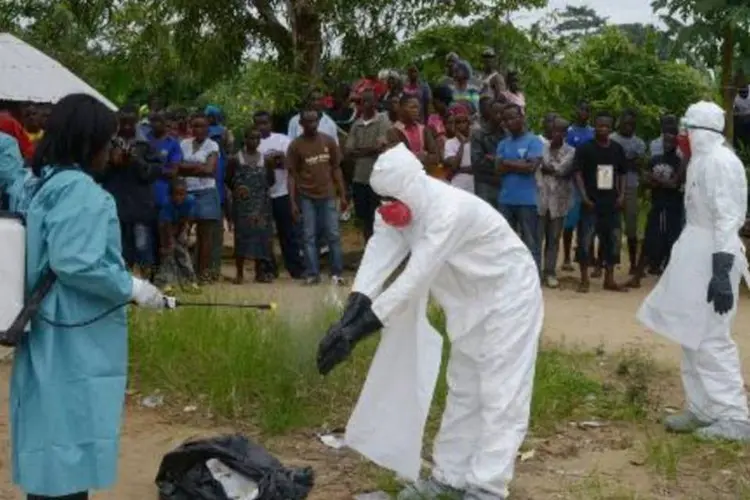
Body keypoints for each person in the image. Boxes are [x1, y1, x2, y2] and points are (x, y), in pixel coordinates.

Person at [316, 128, 543, 500]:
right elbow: (377, 261)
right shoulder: (393, 211)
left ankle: (487, 487)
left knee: (501, 392)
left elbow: (413, 278)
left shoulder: (446, 210)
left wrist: (357, 333)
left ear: (415, 185)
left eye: (393, 199)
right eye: (382, 200)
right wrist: (346, 320)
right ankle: (448, 479)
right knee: (464, 387)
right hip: (467, 302)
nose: (387, 207)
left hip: (509, 297)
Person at [0, 94, 169, 500]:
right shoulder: (82, 192)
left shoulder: (39, 182)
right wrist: (133, 287)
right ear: (89, 141)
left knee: (49, 429)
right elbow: (77, 261)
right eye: (109, 142)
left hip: (43, 323)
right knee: (71, 431)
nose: (113, 151)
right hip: (73, 327)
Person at [637, 101, 750, 442]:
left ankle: (734, 417)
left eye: (688, 130)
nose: (682, 136)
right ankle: (702, 408)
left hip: (716, 253)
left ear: (702, 132)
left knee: (713, 334)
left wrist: (721, 269)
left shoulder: (720, 162)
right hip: (695, 250)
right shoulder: (700, 160)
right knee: (690, 330)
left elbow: (728, 218)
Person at [286, 108, 348, 286]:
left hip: (328, 194)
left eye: (315, 121)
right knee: (309, 236)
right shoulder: (296, 146)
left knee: (333, 235)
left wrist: (342, 195)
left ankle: (336, 273)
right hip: (306, 196)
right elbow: (291, 175)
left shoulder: (328, 141)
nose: (312, 125)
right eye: (309, 121)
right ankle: (313, 274)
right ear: (301, 124)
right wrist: (292, 202)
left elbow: (336, 168)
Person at [102, 105, 161, 279]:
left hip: (140, 205)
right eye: (123, 122)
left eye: (130, 122)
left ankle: (145, 283)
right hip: (114, 203)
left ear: (136, 121)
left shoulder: (146, 145)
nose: (127, 126)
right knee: (117, 246)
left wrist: (136, 161)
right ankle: (121, 281)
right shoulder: (107, 143)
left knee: (142, 245)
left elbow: (154, 173)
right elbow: (97, 174)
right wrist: (111, 163)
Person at [573, 111, 629, 293]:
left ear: (611, 128)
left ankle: (610, 279)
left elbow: (622, 174)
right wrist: (583, 197)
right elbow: (578, 173)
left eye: (606, 126)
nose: (603, 129)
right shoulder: (585, 148)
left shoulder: (617, 149)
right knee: (585, 239)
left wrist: (621, 196)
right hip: (591, 201)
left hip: (611, 202)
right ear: (594, 126)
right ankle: (584, 279)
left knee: (612, 239)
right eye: (599, 125)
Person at [627, 124, 684, 288]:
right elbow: (644, 181)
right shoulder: (655, 160)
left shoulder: (680, 163)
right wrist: (657, 181)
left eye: (671, 142)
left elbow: (674, 185)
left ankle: (670, 281)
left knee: (672, 242)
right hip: (657, 205)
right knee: (648, 240)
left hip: (673, 207)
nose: (667, 145)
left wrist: (655, 179)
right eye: (665, 142)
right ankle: (637, 276)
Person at [254, 110, 305, 279]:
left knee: (288, 233)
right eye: (258, 123)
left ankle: (295, 268)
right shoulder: (253, 142)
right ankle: (269, 269)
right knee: (264, 234)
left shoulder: (283, 140)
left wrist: (279, 159)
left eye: (265, 123)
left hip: (282, 192)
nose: (262, 126)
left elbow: (290, 164)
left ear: (271, 123)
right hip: (262, 195)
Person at [496, 103, 544, 271]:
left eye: (513, 117)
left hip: (527, 200)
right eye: (506, 119)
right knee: (504, 242)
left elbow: (531, 168)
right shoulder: (503, 143)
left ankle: (534, 276)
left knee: (531, 241)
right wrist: (519, 164)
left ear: (522, 118)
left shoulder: (534, 141)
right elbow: (498, 169)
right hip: (506, 199)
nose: (509, 122)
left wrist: (508, 163)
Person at [226, 126, 275, 284]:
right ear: (245, 139)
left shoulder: (265, 160)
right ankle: (239, 273)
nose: (253, 141)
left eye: (256, 138)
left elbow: (271, 180)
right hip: (242, 206)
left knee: (261, 237)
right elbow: (228, 179)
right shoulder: (235, 158)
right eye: (250, 138)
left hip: (261, 205)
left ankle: (259, 272)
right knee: (241, 238)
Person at [177, 113, 221, 282]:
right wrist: (198, 167)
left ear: (208, 128)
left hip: (207, 192)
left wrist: (187, 167)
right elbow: (177, 167)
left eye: (202, 126)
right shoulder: (184, 144)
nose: (198, 129)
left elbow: (210, 170)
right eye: (195, 126)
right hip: (186, 192)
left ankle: (202, 274)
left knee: (205, 236)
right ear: (191, 127)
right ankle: (185, 272)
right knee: (182, 233)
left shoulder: (213, 145)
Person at [345, 89, 391, 241]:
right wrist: (370, 150)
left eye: (368, 100)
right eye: (362, 101)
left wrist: (361, 151)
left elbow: (381, 148)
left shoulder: (383, 120)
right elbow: (349, 151)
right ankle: (368, 250)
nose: (365, 104)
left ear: (375, 102)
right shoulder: (356, 125)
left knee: (379, 217)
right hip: (360, 178)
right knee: (365, 219)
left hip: (378, 178)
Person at [538, 117, 576, 288]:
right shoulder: (540, 146)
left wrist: (548, 168)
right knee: (537, 237)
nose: (557, 134)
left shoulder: (571, 151)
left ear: (566, 133)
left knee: (553, 238)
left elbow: (560, 169)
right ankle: (535, 272)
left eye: (561, 131)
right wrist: (548, 167)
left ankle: (550, 272)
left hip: (559, 201)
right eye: (554, 130)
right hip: (540, 199)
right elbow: (540, 166)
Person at [610, 109, 646, 274]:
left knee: (631, 227)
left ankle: (633, 263)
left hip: (631, 185)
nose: (628, 127)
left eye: (631, 124)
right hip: (610, 185)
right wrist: (627, 162)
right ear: (619, 123)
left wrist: (622, 162)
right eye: (625, 123)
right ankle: (606, 262)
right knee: (610, 225)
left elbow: (637, 165)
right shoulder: (611, 139)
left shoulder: (639, 143)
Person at [562, 101, 595, 271]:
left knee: (587, 221)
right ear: (576, 111)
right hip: (571, 182)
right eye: (581, 108)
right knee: (569, 222)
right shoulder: (569, 132)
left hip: (589, 182)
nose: (584, 112)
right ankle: (566, 257)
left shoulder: (593, 132)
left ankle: (586, 254)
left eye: (587, 109)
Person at [154, 178, 200, 293]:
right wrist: (168, 244)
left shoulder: (190, 201)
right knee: (168, 255)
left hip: (181, 225)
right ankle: (164, 283)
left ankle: (189, 281)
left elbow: (188, 219)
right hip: (165, 228)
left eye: (182, 194)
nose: (179, 197)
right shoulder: (166, 204)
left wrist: (183, 234)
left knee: (183, 253)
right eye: (176, 194)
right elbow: (166, 227)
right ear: (170, 195)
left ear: (186, 193)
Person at [471, 100, 506, 209]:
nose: (499, 116)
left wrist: (495, 160)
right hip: (485, 183)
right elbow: (477, 162)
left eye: (502, 114)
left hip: (503, 184)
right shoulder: (479, 134)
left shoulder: (507, 134)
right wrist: (503, 163)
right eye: (496, 113)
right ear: (490, 112)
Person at [394, 94, 440, 173]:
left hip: (421, 175)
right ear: (401, 108)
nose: (416, 110)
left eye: (417, 107)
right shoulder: (394, 130)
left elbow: (436, 157)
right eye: (412, 107)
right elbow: (397, 158)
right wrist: (420, 156)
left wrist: (424, 157)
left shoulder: (423, 129)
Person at [443, 103, 474, 193]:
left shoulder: (475, 139)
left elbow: (478, 165)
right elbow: (454, 166)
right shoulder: (449, 143)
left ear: (468, 122)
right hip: (458, 183)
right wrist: (463, 143)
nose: (461, 125)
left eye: (464, 121)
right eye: (458, 122)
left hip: (475, 182)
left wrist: (461, 169)